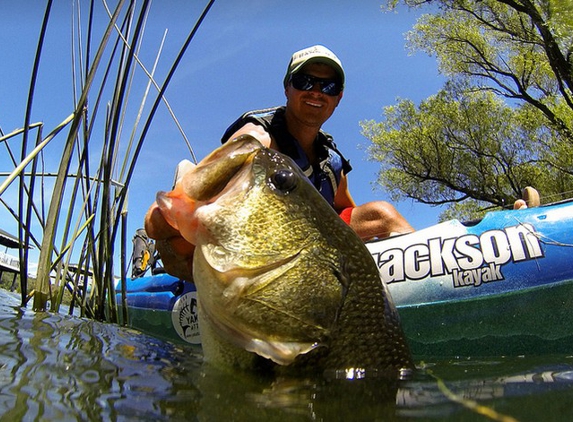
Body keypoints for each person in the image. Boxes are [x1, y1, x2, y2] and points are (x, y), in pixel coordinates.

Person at [145, 45, 414, 280]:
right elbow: (156, 220)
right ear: (287, 87)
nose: (316, 92)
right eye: (305, 81)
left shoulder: (332, 164)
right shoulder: (257, 138)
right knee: (167, 232)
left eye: (328, 86)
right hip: (258, 241)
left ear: (338, 98)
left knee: (382, 214)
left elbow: (345, 215)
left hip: (308, 241)